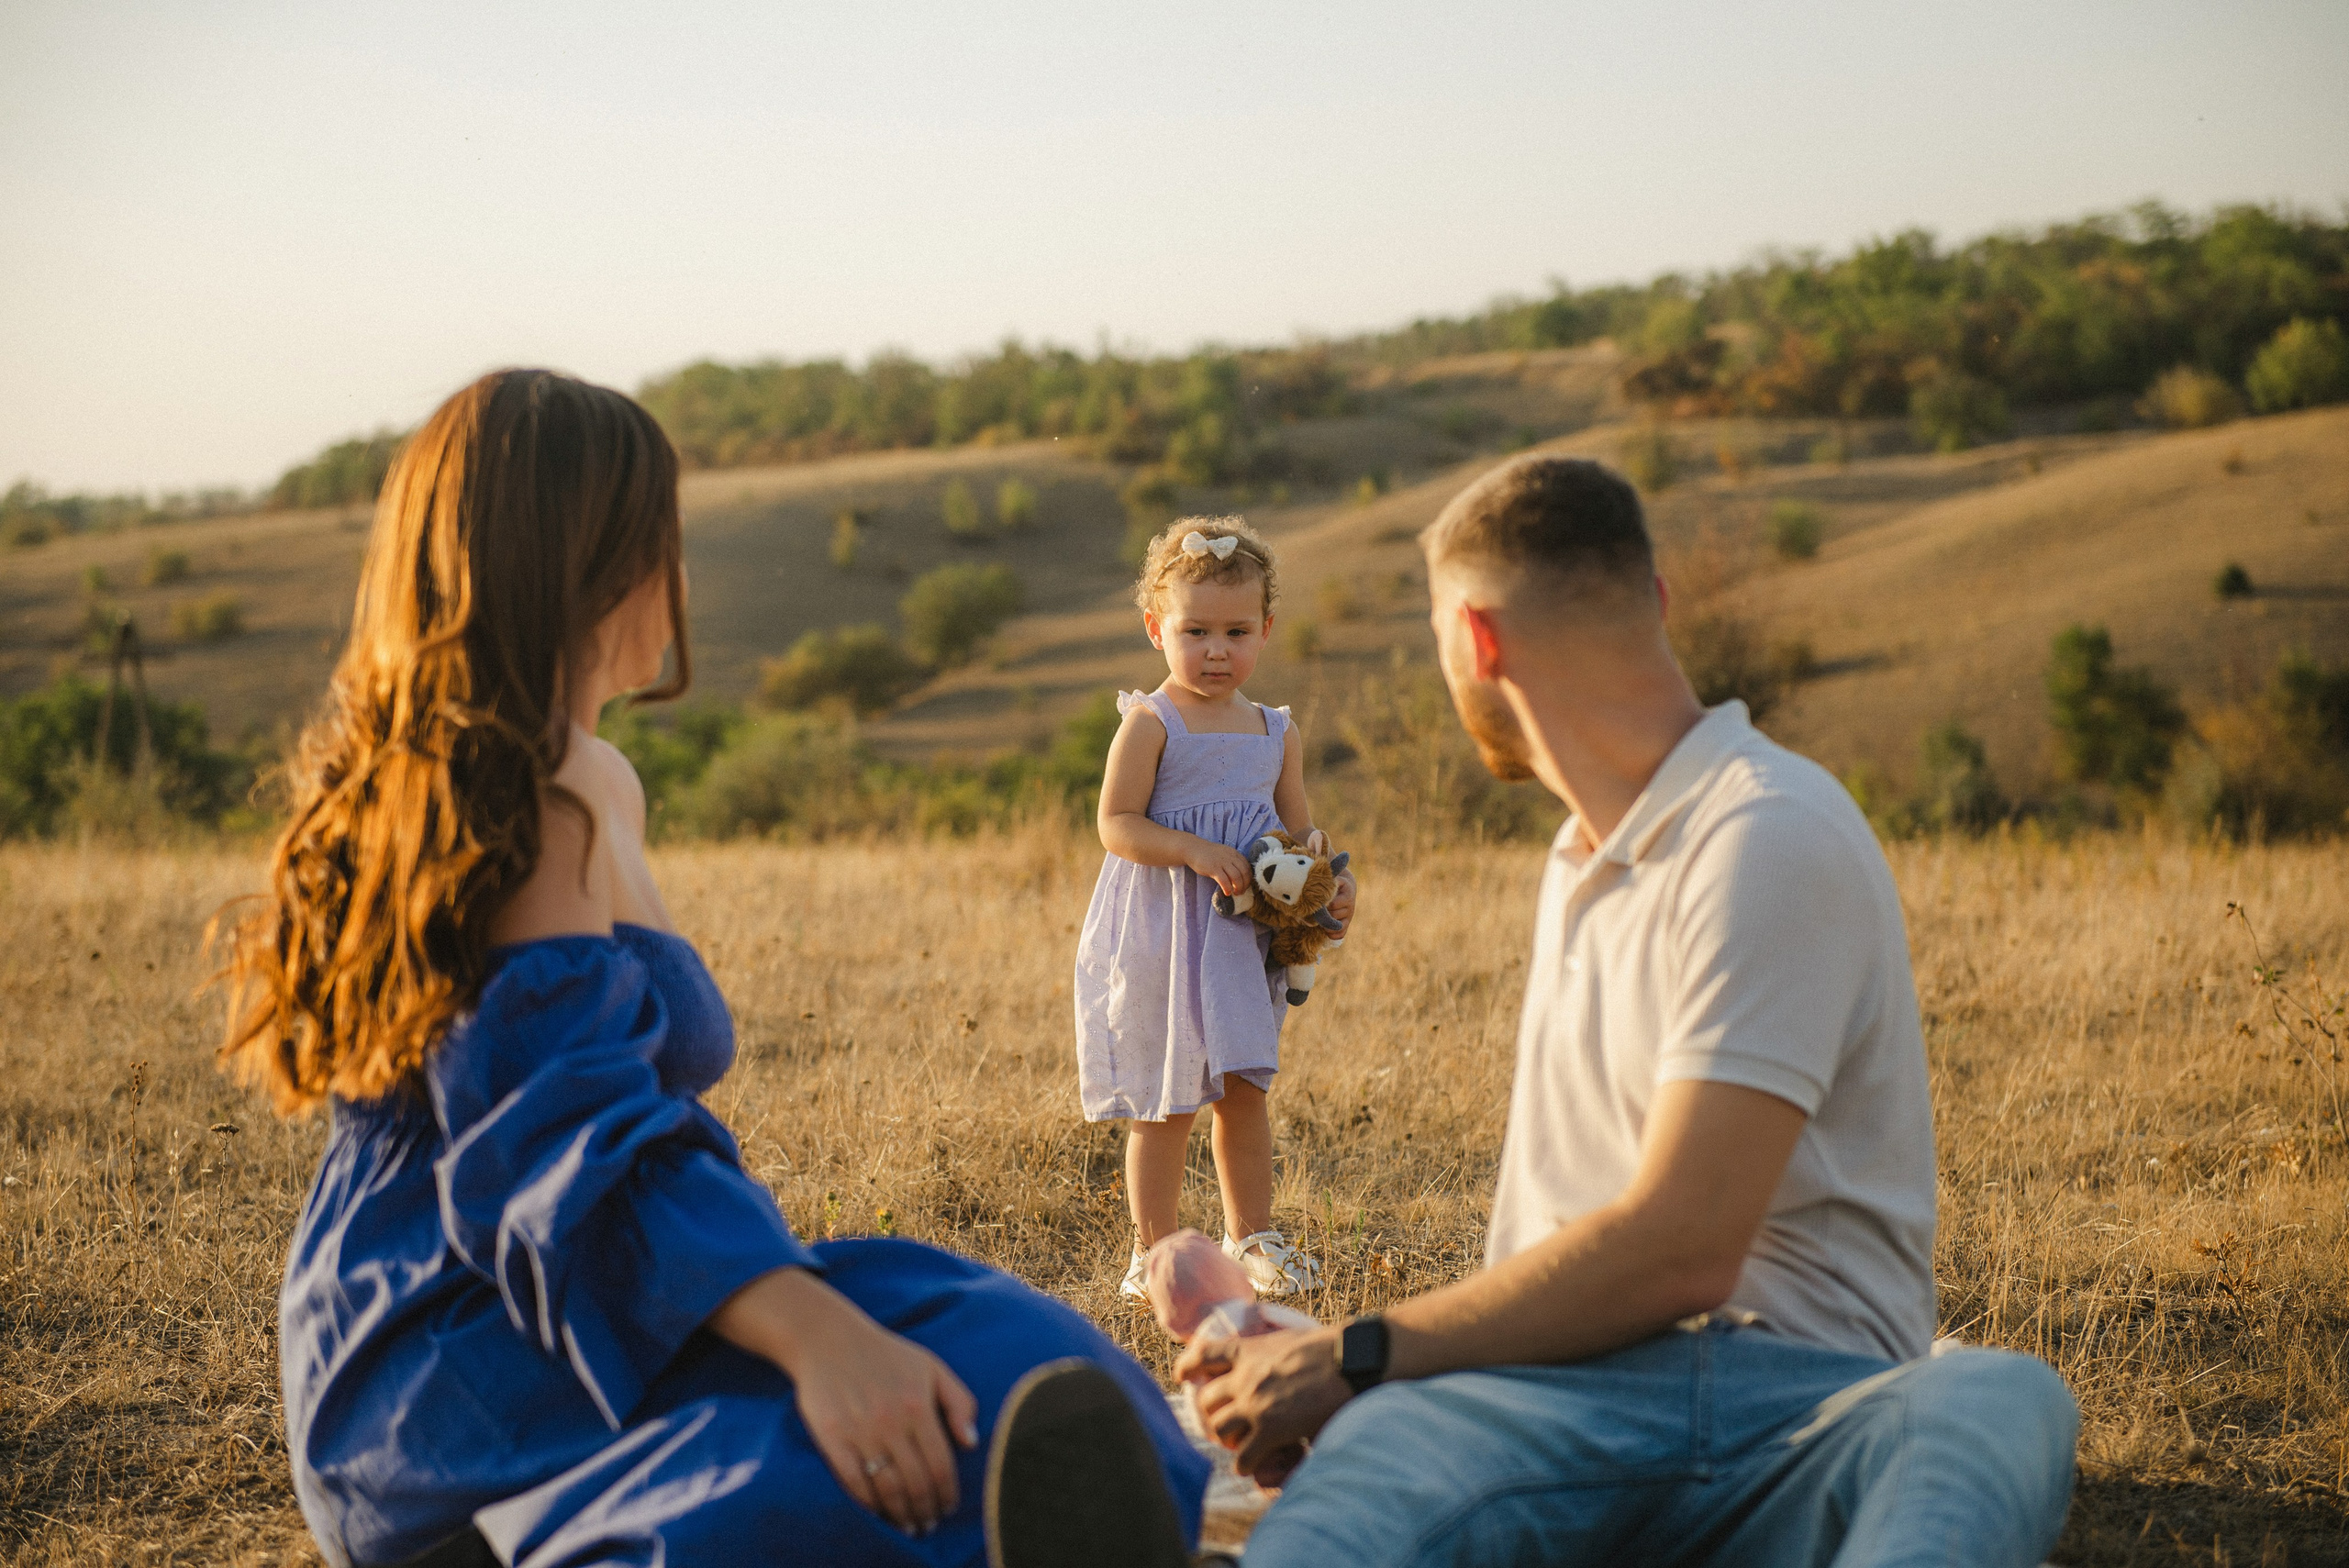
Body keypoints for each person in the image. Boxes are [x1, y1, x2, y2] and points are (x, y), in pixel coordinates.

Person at [219, 369, 1207, 1568]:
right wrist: (819, 1341)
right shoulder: (527, 794)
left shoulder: (588, 778)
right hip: (467, 1352)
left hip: (596, 1283)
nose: (680, 573)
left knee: (1007, 1352)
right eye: (664, 536)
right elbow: (560, 1142)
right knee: (918, 1437)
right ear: (602, 562)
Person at [1175, 457, 2080, 1565]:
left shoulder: (1766, 831)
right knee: (1380, 1461)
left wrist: (1362, 1351)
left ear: (1478, 641)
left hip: (1801, 1406)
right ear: (1654, 600)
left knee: (1989, 1394)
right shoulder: (1578, 855)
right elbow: (1568, 1248)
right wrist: (1370, 1369)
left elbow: (1683, 1243)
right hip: (1553, 1402)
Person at [1074, 517, 1356, 1303]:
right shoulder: (1151, 722)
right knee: (1166, 1102)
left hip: (1240, 939)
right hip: (1165, 932)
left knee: (1244, 1089)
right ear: (1154, 627)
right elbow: (1116, 824)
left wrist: (1332, 885)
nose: (1216, 650)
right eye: (1194, 630)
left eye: (1236, 630)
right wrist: (1195, 851)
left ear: (1265, 631)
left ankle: (1252, 1237)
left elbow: (1301, 836)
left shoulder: (1275, 732)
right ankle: (1155, 1252)